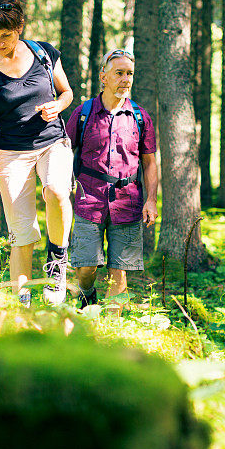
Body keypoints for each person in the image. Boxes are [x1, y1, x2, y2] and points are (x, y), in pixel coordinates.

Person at [0, 0, 74, 307]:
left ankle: (56, 264)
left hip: (52, 142)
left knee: (56, 191)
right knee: (22, 235)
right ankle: (21, 305)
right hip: (11, 154)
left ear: (20, 27)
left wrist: (58, 104)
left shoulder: (44, 54)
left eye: (6, 35)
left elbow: (67, 93)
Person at [66, 49, 158, 315]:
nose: (125, 79)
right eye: (119, 73)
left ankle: (111, 329)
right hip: (89, 199)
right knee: (86, 268)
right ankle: (87, 296)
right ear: (103, 77)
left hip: (128, 201)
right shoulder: (83, 113)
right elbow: (63, 151)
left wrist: (151, 200)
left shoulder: (140, 117)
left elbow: (150, 163)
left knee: (119, 269)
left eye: (129, 74)